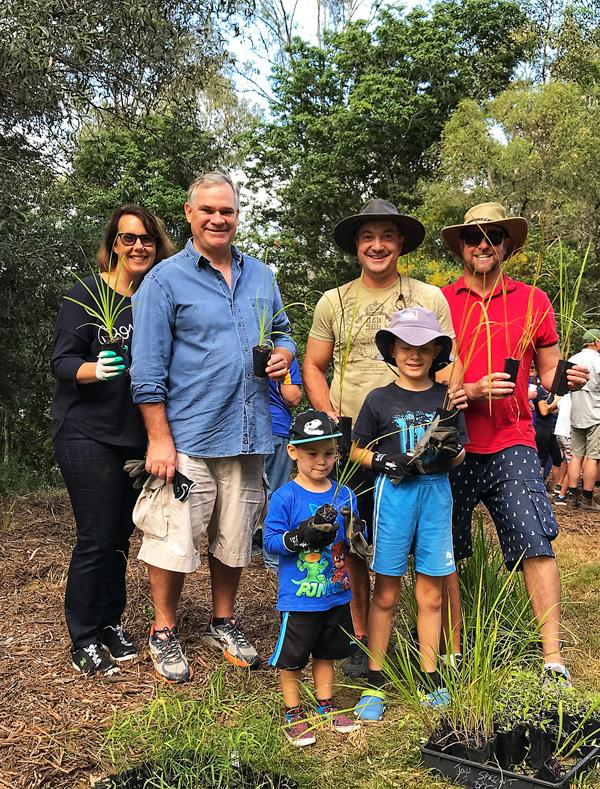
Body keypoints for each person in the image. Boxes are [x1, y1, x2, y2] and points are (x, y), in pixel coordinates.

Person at [130, 172, 296, 683]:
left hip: (248, 435)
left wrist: (285, 353)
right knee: (173, 539)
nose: (218, 219)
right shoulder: (164, 281)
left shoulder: (261, 275)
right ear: (189, 213)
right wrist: (159, 438)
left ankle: (223, 621)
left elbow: (284, 332)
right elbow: (147, 369)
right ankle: (164, 629)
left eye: (227, 210)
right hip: (189, 436)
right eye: (208, 210)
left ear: (238, 215)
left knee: (234, 537)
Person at [303, 198, 457, 677]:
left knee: (431, 545)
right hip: (359, 437)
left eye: (387, 235)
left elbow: (447, 369)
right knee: (356, 540)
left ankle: (438, 646)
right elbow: (314, 365)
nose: (377, 245)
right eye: (368, 236)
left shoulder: (428, 297)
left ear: (401, 242)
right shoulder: (335, 300)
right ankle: (364, 637)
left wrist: (444, 434)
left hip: (420, 437)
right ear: (356, 244)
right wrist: (331, 418)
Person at [440, 202, 589, 682]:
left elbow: (548, 371)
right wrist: (470, 389)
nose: (483, 245)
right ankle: (452, 653)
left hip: (513, 439)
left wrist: (567, 377)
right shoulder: (441, 300)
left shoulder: (533, 300)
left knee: (535, 541)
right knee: (445, 550)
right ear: (461, 246)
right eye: (474, 237)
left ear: (507, 245)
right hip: (454, 441)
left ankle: (552, 660)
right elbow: (425, 373)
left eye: (495, 236)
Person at [51, 205, 175, 676]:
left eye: (147, 239)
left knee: (121, 535)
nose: (138, 246)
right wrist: (92, 369)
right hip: (86, 431)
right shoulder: (88, 294)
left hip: (135, 435)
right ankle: (84, 635)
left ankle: (109, 623)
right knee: (97, 535)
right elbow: (61, 361)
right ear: (114, 244)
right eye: (128, 238)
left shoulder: (158, 297)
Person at [349, 308, 467, 721]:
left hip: (436, 494)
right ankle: (375, 679)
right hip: (395, 494)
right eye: (405, 347)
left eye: (423, 348)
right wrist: (385, 461)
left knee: (432, 593)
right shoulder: (379, 399)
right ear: (393, 351)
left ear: (436, 352)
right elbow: (355, 450)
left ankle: (430, 676)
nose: (414, 355)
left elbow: (460, 451)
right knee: (386, 591)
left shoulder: (446, 399)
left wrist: (452, 452)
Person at [264, 410, 361, 745]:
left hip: (336, 593)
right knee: (293, 658)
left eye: (329, 453)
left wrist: (357, 535)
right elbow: (270, 541)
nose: (322, 461)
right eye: (312, 453)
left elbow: (354, 538)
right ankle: (293, 713)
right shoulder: (285, 496)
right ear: (293, 452)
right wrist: (299, 537)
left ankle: (325, 706)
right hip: (301, 598)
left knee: (326, 653)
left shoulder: (345, 494)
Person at [262, 358, 302, 570]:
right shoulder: (282, 354)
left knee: (244, 493)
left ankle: (243, 549)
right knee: (275, 492)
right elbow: (292, 397)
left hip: (240, 431)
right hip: (276, 427)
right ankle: (273, 558)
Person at [566, 329, 600, 512]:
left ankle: (572, 496)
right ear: (596, 342)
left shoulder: (573, 359)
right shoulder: (598, 361)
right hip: (596, 414)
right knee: (593, 458)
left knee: (576, 455)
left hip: (576, 414)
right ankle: (587, 498)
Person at [532, 382, 563, 491]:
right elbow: (544, 412)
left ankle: (555, 489)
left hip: (554, 429)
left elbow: (555, 410)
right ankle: (537, 487)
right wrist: (555, 402)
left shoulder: (554, 392)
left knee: (557, 459)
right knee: (542, 459)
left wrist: (551, 406)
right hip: (542, 428)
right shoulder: (540, 390)